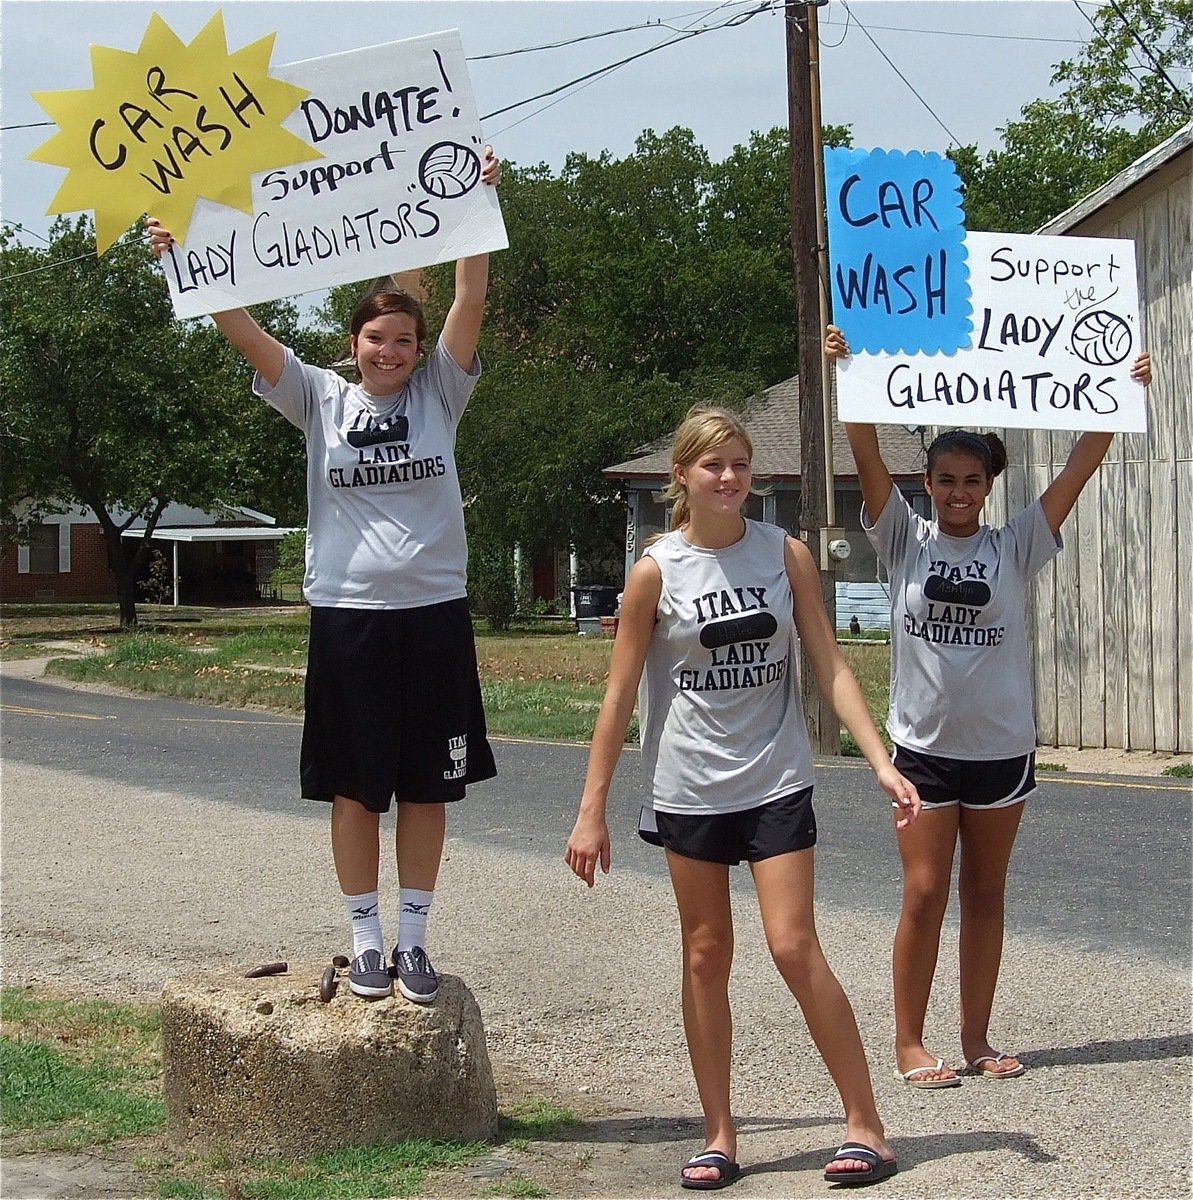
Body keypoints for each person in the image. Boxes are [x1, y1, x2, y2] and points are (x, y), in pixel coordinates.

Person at [147, 147, 502, 1004]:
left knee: (426, 785)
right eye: (376, 340)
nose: (391, 352)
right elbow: (239, 326)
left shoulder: (440, 395)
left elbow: (472, 297)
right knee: (356, 785)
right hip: (349, 617)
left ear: (421, 351)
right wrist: (178, 255)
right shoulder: (317, 398)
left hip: (434, 613)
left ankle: (415, 937)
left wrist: (480, 205)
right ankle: (366, 938)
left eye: (404, 341)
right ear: (353, 345)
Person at [565, 406, 921, 1190]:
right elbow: (618, 696)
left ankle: (865, 1124)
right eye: (712, 465)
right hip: (688, 786)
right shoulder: (655, 570)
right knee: (704, 954)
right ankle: (719, 1134)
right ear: (682, 478)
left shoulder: (782, 552)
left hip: (775, 780)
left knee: (794, 946)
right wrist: (591, 808)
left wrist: (880, 762)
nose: (728, 478)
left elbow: (827, 663)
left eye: (738, 464)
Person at [825, 325, 1152, 1087]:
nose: (958, 492)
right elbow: (865, 454)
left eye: (971, 480)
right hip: (923, 753)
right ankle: (909, 1042)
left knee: (984, 893)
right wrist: (845, 373)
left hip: (1002, 753)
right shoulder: (902, 537)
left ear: (988, 486)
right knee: (922, 893)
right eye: (944, 479)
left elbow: (1081, 462)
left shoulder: (1016, 545)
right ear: (929, 483)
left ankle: (974, 1038)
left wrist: (1121, 385)